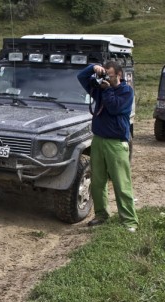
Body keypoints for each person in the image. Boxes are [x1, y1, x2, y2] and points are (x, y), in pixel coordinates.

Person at [77, 61, 139, 232]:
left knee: (121, 183)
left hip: (116, 143)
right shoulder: (100, 88)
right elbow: (80, 77)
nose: (106, 77)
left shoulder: (126, 91)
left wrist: (107, 88)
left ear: (119, 75)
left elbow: (114, 107)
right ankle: (101, 215)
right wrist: (93, 68)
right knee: (97, 182)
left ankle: (129, 221)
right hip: (98, 140)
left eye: (109, 75)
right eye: (105, 74)